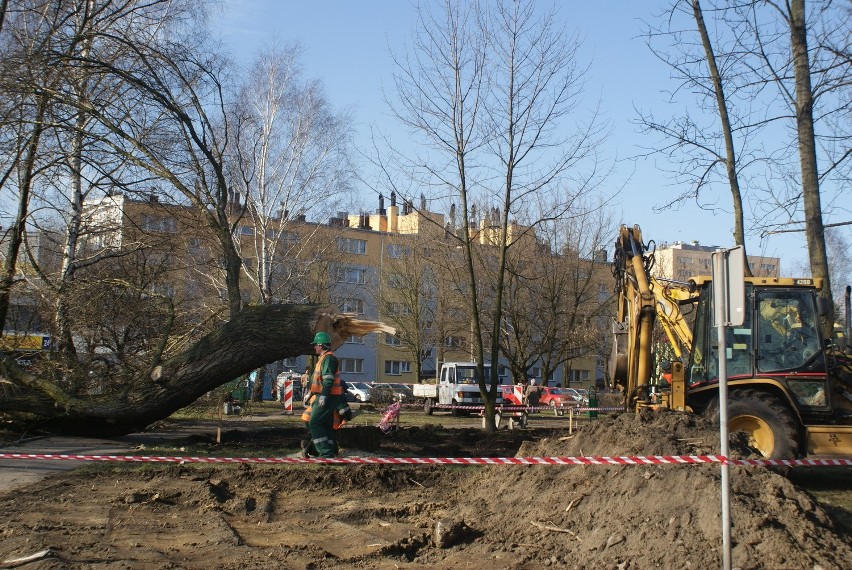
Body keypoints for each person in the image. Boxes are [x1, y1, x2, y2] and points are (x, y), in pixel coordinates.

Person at [306, 331, 343, 458]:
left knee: (315, 423)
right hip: (327, 395)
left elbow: (328, 379)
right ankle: (331, 450)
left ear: (321, 345)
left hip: (327, 396)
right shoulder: (324, 358)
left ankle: (325, 452)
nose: (314, 347)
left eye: (316, 344)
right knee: (326, 424)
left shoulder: (328, 358)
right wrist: (311, 393)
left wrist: (324, 395)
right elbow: (319, 380)